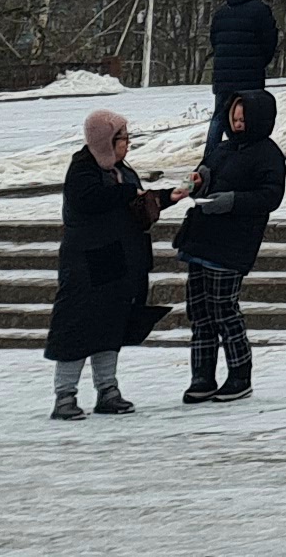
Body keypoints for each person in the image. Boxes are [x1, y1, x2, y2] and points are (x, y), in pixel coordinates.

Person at [43, 106, 170, 418]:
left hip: (119, 260)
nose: (128, 143)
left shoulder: (121, 170)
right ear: (105, 140)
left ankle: (108, 389)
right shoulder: (83, 170)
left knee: (110, 324)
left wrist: (167, 197)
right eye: (123, 137)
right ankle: (65, 395)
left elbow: (136, 202)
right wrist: (128, 192)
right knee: (77, 326)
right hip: (86, 263)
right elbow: (92, 199)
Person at [173, 83, 286, 402]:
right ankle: (202, 375)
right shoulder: (221, 149)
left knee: (224, 309)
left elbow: (270, 196)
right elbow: (204, 175)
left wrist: (232, 201)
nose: (237, 125)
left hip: (232, 244)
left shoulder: (268, 154)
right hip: (201, 239)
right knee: (200, 312)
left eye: (243, 120)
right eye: (234, 119)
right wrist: (197, 183)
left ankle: (239, 374)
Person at [206, 0, 277, 99]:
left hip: (223, 76)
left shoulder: (221, 12)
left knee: (223, 109)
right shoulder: (261, 10)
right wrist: (259, 62)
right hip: (251, 75)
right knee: (248, 109)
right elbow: (269, 41)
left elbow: (214, 40)